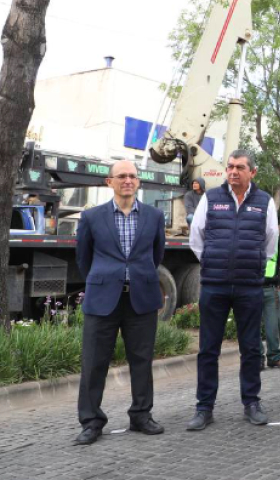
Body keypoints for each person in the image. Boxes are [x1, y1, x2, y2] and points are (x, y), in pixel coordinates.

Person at [73, 160, 166, 446]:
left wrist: (137, 277)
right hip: (103, 299)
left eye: (132, 176)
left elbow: (157, 255)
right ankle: (91, 421)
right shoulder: (91, 217)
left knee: (142, 360)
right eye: (121, 176)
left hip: (141, 298)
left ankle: (141, 415)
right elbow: (83, 259)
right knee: (94, 362)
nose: (128, 180)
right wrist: (104, 280)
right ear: (109, 182)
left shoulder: (154, 216)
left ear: (138, 182)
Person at [187, 150, 279, 431]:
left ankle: (251, 402)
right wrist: (213, 261)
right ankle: (204, 408)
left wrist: (250, 264)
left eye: (240, 167)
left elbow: (270, 241)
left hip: (249, 286)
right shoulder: (211, 198)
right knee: (208, 349)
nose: (233, 171)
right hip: (214, 286)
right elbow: (197, 238)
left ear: (252, 172)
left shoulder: (264, 202)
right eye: (230, 167)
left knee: (251, 348)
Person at [262, 233, 280, 369]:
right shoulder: (248, 233)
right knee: (251, 326)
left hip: (272, 288)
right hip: (251, 287)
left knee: (274, 325)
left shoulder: (277, 238)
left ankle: (274, 356)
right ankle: (256, 359)